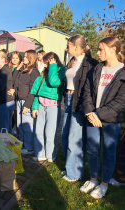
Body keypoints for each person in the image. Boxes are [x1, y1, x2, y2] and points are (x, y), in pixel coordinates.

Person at [80, 37, 125, 199]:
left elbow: (121, 101)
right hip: (92, 117)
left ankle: (104, 183)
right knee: (92, 150)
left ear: (113, 50)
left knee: (108, 152)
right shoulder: (96, 69)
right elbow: (86, 92)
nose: (97, 53)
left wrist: (98, 114)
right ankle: (93, 179)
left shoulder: (123, 71)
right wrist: (89, 112)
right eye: (97, 49)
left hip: (111, 121)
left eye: (101, 49)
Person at [61, 34, 98, 182]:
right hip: (68, 100)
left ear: (76, 47)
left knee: (74, 138)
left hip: (79, 102)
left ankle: (75, 173)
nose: (66, 48)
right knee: (64, 136)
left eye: (68, 46)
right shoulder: (72, 62)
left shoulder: (91, 63)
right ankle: (71, 167)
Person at [31, 52, 66, 162]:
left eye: (46, 63)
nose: (45, 65)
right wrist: (35, 107)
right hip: (41, 106)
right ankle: (40, 153)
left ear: (53, 61)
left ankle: (51, 155)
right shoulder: (43, 73)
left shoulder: (61, 71)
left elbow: (54, 82)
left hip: (53, 107)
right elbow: (37, 91)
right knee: (39, 131)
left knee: (50, 132)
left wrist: (53, 67)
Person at [9, 50, 40, 154]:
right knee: (20, 124)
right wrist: (17, 69)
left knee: (27, 125)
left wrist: (27, 105)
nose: (24, 58)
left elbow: (33, 90)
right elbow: (13, 80)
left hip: (26, 101)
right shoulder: (22, 69)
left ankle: (29, 147)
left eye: (26, 56)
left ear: (31, 58)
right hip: (18, 100)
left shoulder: (34, 72)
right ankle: (23, 144)